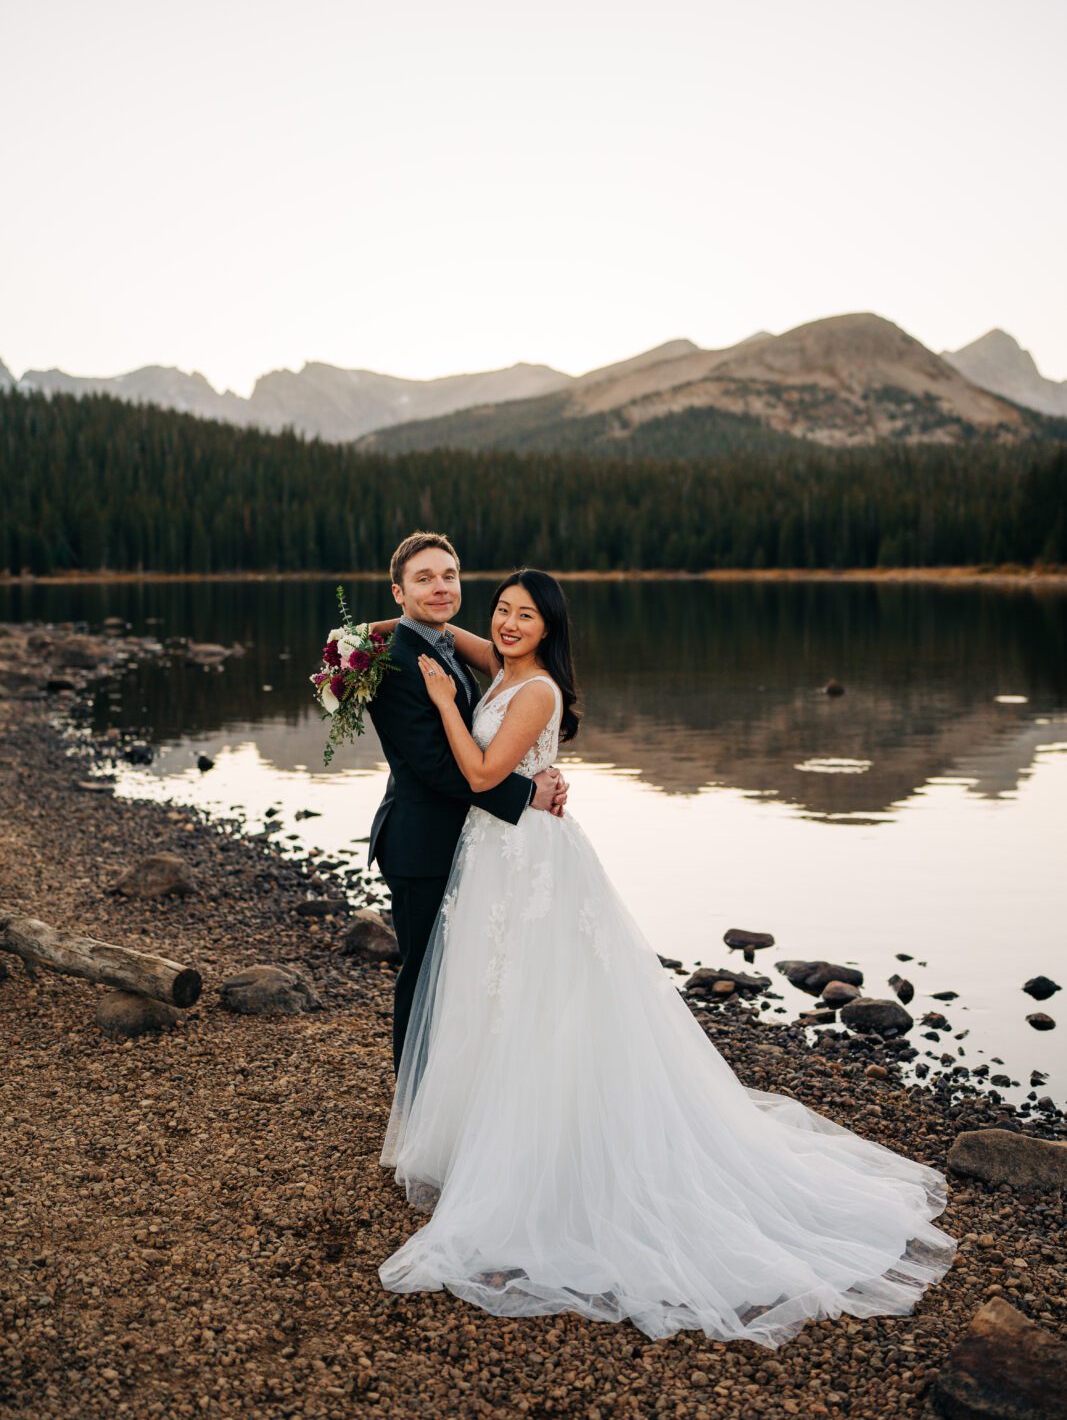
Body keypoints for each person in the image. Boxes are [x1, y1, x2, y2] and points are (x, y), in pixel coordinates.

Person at [374, 567, 958, 1347]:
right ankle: (484, 1137)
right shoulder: (501, 664)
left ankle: (547, 1156)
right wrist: (375, 634)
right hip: (495, 859)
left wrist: (446, 705)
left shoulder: (536, 690)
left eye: (525, 616)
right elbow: (450, 633)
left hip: (525, 861)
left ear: (550, 629)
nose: (509, 624)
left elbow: (482, 774)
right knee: (498, 1000)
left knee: (540, 1000)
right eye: (502, 611)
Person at [366, 532, 569, 1076]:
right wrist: (527, 791)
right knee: (424, 975)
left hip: (470, 841)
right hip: (420, 841)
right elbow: (435, 767)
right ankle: (413, 1101)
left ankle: (458, 1093)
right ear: (398, 591)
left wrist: (362, 632)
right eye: (424, 579)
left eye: (448, 576)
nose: (440, 587)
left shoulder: (450, 647)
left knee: (466, 975)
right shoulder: (397, 664)